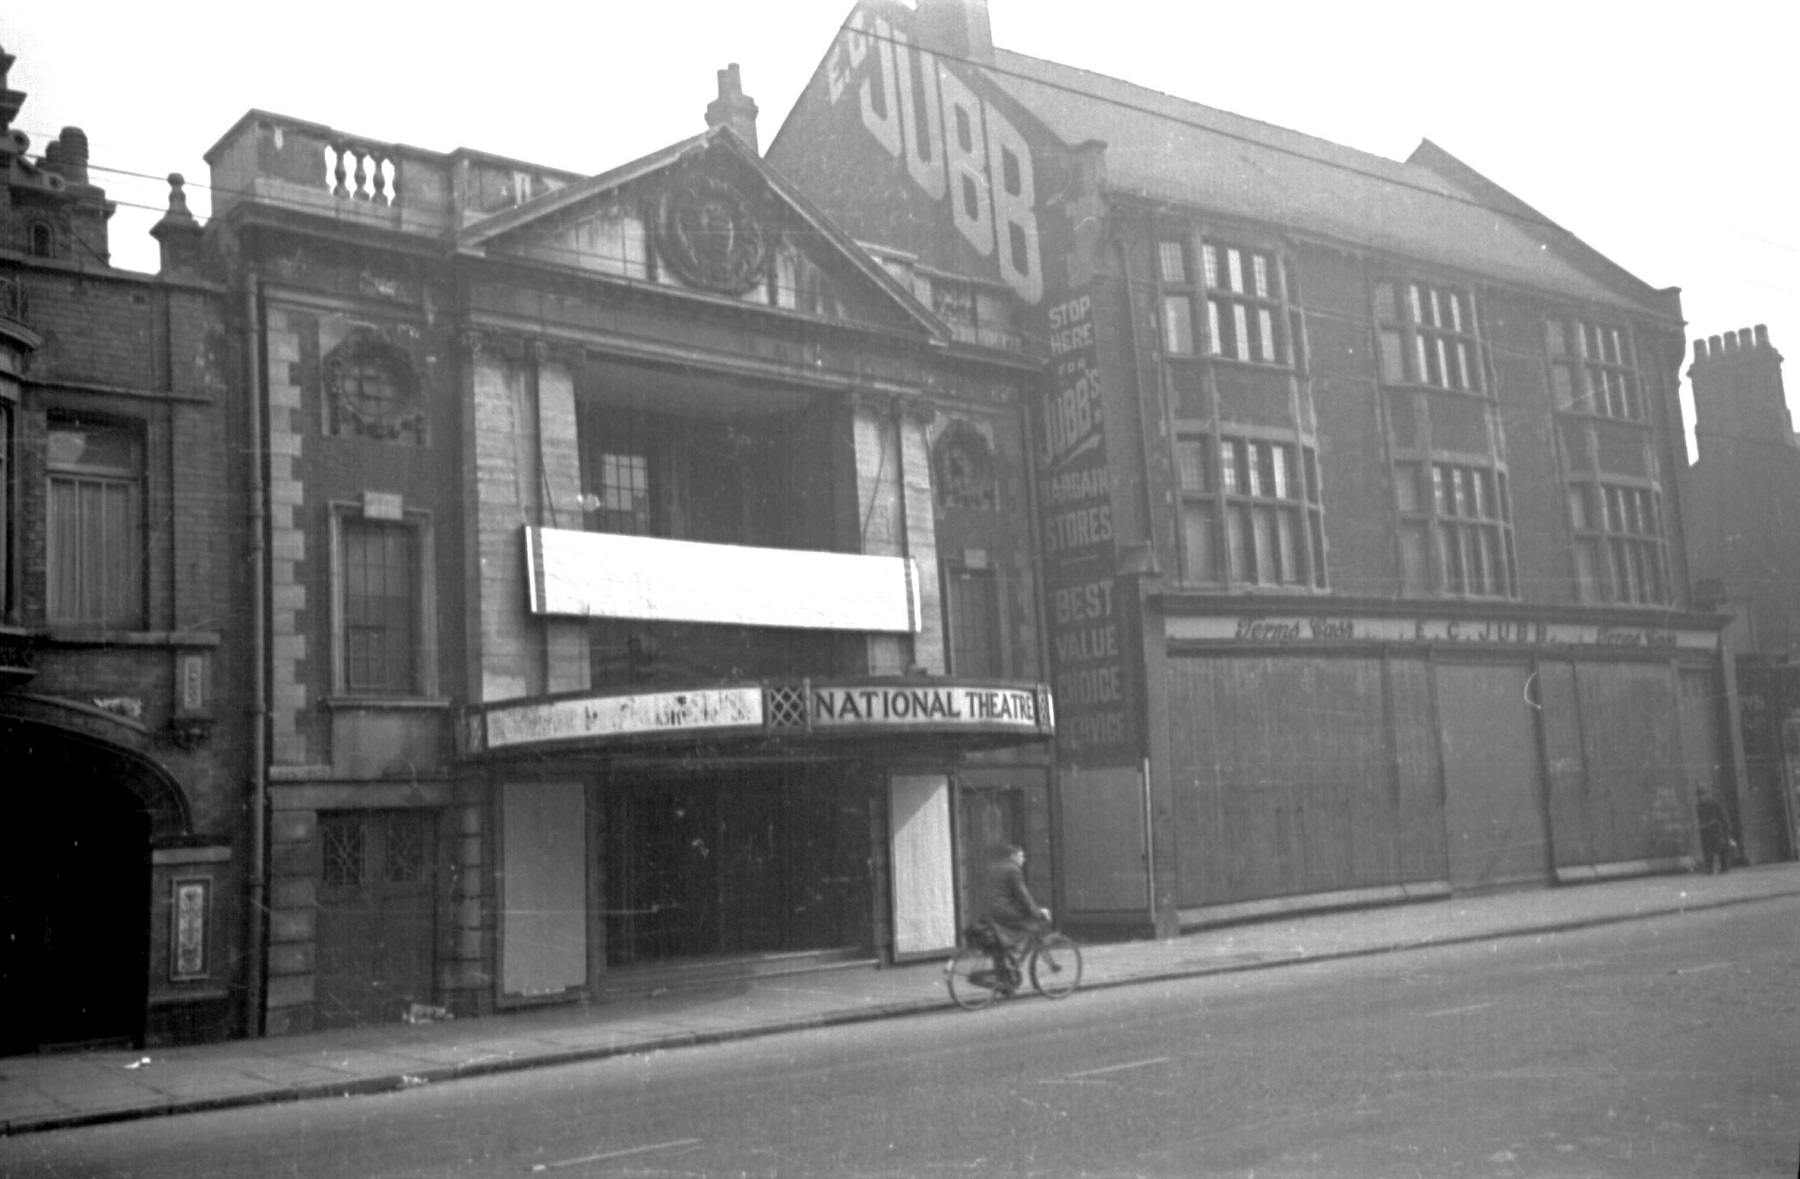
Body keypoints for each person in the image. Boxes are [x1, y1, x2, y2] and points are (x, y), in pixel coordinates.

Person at [984, 843, 1050, 994]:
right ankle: (1013, 956)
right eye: (1021, 856)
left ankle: (1006, 981)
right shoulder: (1013, 870)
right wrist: (1038, 912)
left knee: (999, 944)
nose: (1023, 859)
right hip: (1004, 911)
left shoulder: (992, 867)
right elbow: (1023, 896)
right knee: (1030, 926)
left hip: (990, 911)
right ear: (1013, 856)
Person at [1695, 787, 1736, 875]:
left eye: (1702, 796)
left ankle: (1724, 867)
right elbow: (1701, 818)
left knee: (1721, 848)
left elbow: (1722, 816)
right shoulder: (1699, 806)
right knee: (1708, 850)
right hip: (1706, 831)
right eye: (1699, 796)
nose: (1701, 798)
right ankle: (1709, 868)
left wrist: (1726, 828)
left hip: (1717, 829)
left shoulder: (1714, 804)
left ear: (1706, 795)